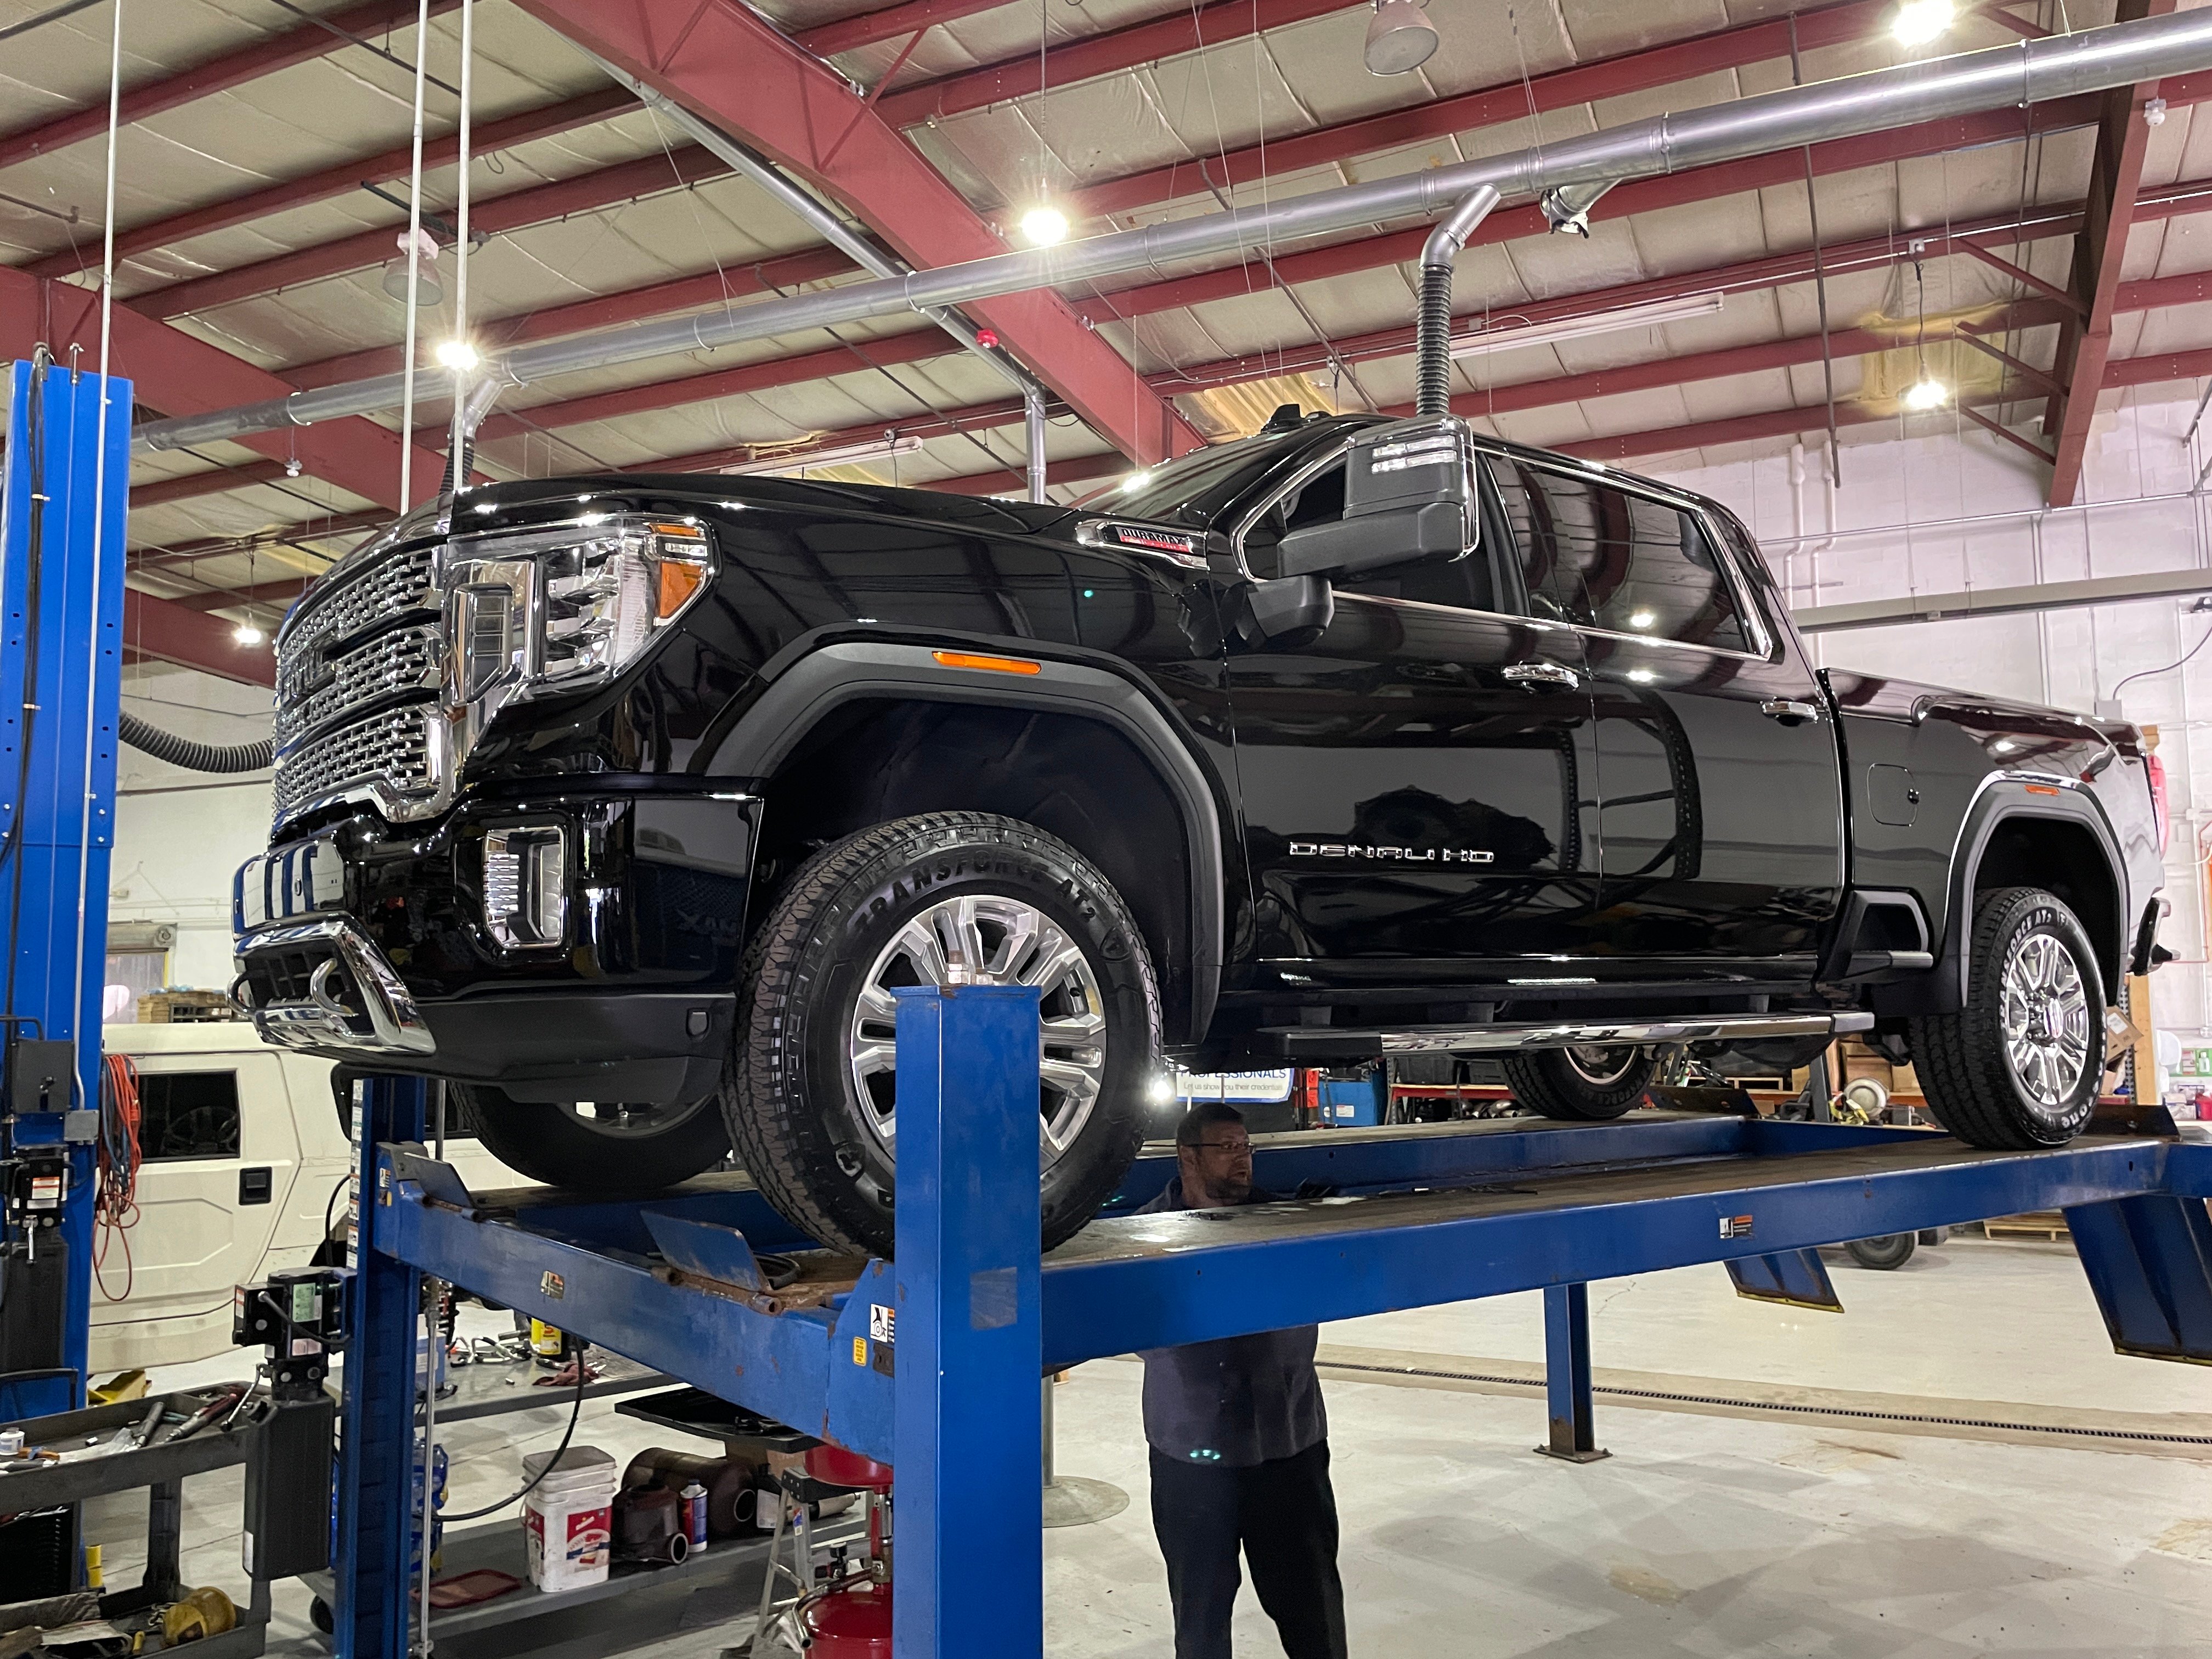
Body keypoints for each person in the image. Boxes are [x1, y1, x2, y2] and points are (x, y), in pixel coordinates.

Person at [1136, 1102, 1347, 1659]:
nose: (1241, 1159)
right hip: (1191, 1460)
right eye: (1226, 1148)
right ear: (1188, 1156)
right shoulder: (1143, 1239)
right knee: (1201, 1621)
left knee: (1313, 1613)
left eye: (1245, 1147)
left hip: (1289, 1448)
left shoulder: (1286, 1230)